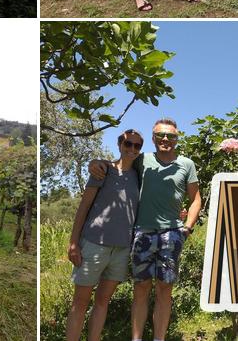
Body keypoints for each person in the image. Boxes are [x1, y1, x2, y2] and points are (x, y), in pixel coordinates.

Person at [91, 119, 201, 341]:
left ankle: (159, 338)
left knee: (164, 289)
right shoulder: (143, 160)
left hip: (172, 234)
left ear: (177, 139)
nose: (165, 140)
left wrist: (187, 227)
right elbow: (120, 165)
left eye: (171, 136)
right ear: (153, 138)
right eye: (161, 135)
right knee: (141, 287)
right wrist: (97, 162)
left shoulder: (186, 164)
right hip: (142, 232)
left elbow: (196, 198)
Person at [65, 129, 143, 341]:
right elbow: (84, 206)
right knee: (80, 302)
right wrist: (74, 242)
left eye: (137, 146)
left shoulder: (138, 175)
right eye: (128, 144)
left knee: (103, 301)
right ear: (120, 145)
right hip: (93, 244)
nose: (132, 149)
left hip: (121, 249)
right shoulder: (103, 170)